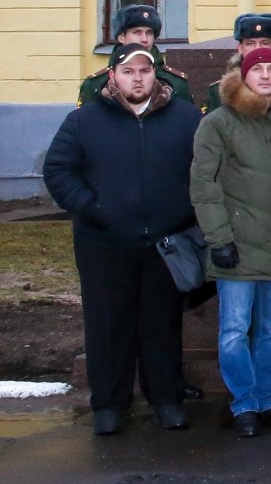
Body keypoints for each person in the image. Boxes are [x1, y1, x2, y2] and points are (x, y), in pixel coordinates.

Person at [44, 43, 201, 436]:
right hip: (104, 244)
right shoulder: (84, 121)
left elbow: (205, 171)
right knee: (107, 325)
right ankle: (109, 405)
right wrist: (93, 209)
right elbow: (59, 170)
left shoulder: (185, 119)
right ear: (112, 76)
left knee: (161, 326)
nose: (137, 78)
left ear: (156, 76)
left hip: (166, 244)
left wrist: (187, 213)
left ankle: (166, 401)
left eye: (144, 71)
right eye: (128, 71)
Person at [190, 47, 271, 438]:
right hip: (237, 245)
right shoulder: (219, 123)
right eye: (256, 69)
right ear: (242, 75)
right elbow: (204, 185)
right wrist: (218, 238)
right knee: (235, 330)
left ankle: (267, 399)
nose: (264, 76)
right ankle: (244, 403)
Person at [78, 4, 193, 108]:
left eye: (149, 33)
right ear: (121, 37)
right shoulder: (95, 84)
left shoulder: (176, 83)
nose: (144, 39)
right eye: (137, 32)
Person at [204, 13, 271, 112]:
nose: (257, 49)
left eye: (264, 43)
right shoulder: (220, 91)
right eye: (250, 43)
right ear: (240, 48)